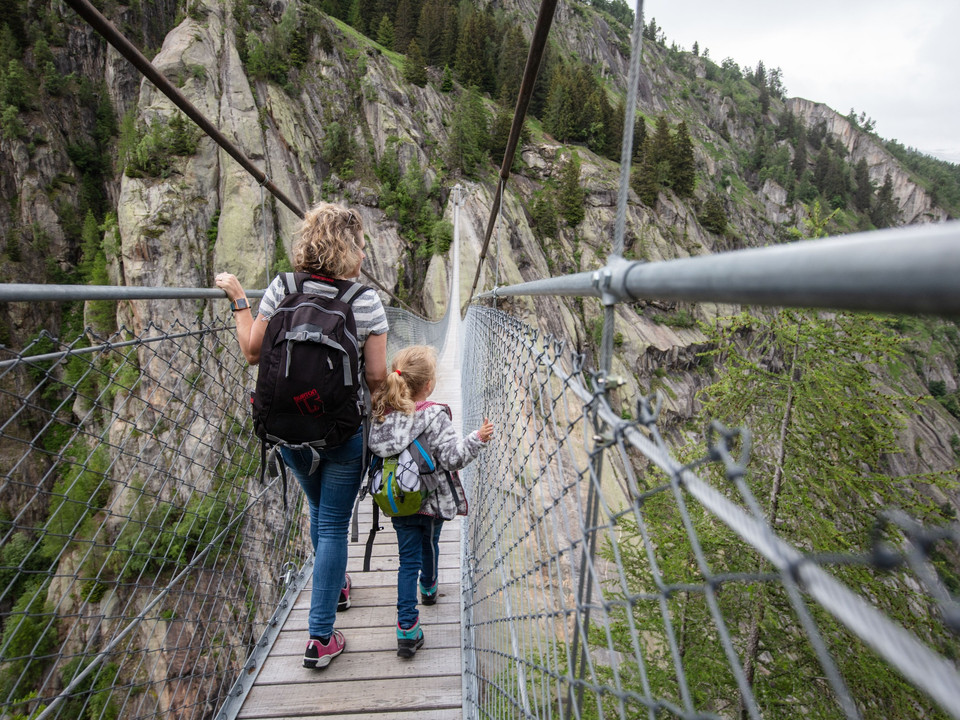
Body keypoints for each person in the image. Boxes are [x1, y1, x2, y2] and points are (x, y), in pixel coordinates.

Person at [215, 202, 388, 669]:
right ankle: (319, 637)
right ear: (349, 250)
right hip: (342, 433)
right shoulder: (365, 301)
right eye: (361, 243)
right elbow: (375, 379)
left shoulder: (282, 287)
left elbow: (252, 353)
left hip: (286, 429)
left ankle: (335, 587)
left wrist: (238, 299)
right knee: (332, 524)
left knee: (318, 511)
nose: (365, 251)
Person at [367, 345, 494, 658]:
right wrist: (477, 438)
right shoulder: (435, 416)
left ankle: (407, 630)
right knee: (431, 542)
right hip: (432, 498)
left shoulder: (382, 414)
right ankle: (430, 587)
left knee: (406, 561)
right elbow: (452, 458)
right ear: (428, 386)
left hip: (398, 499)